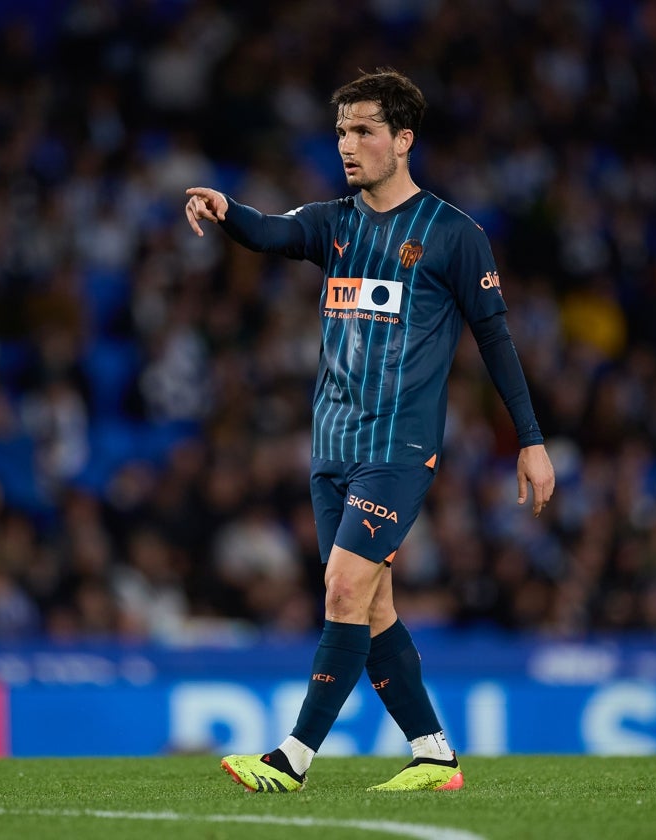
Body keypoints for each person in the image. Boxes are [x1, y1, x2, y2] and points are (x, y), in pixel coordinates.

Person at [184, 68, 555, 793]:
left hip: (399, 449)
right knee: (372, 607)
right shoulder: (333, 222)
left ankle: (291, 760)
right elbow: (271, 233)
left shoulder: (454, 236)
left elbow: (497, 341)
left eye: (364, 132)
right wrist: (227, 208)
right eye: (342, 132)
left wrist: (531, 440)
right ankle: (436, 754)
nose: (348, 146)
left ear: (403, 140)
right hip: (332, 449)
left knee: (344, 591)